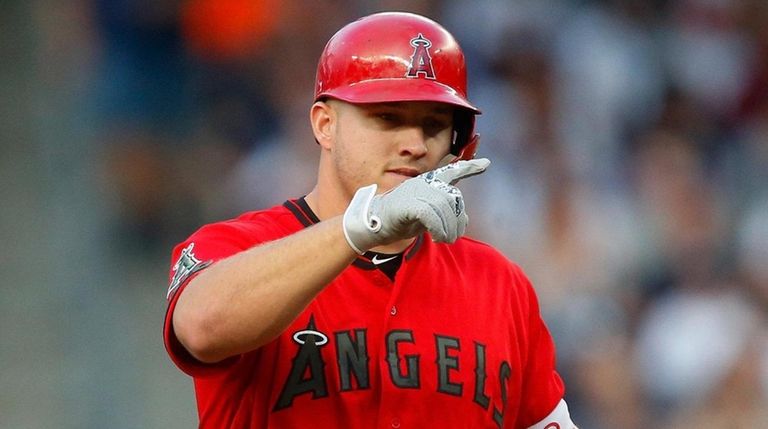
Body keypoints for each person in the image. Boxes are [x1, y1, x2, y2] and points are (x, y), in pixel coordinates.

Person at [163, 11, 577, 429]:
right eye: (388, 118)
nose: (414, 144)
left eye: (433, 125)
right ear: (326, 125)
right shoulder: (238, 246)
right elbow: (201, 327)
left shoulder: (499, 285)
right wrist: (363, 226)